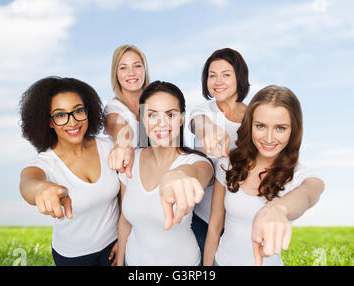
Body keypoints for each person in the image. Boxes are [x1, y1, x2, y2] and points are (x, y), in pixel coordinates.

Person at [203, 85, 325, 266]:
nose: (269, 138)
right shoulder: (228, 165)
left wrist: (279, 208)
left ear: (293, 130)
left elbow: (310, 192)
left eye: (280, 128)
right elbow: (215, 226)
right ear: (249, 124)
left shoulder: (299, 175)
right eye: (260, 126)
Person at [19, 76, 120, 266]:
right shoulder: (46, 163)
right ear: (48, 122)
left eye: (78, 111)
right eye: (60, 115)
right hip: (73, 257)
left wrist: (123, 237)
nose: (72, 122)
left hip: (114, 247)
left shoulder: (109, 147)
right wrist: (42, 189)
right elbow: (28, 183)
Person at [116, 81, 214, 266]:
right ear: (143, 119)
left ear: (182, 119)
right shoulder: (130, 161)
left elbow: (198, 173)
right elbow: (124, 221)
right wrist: (121, 263)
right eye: (153, 115)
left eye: (170, 114)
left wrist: (180, 174)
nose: (162, 123)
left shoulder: (196, 162)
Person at [189, 48, 250, 259]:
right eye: (212, 75)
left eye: (226, 74)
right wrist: (211, 130)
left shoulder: (254, 117)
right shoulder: (204, 111)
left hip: (239, 222)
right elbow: (199, 124)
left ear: (239, 77)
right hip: (203, 218)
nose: (218, 81)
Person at [105, 44, 150, 179]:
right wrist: (123, 145)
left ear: (144, 70)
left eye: (137, 66)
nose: (131, 73)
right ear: (116, 74)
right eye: (123, 67)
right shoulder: (113, 108)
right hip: (129, 181)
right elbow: (118, 124)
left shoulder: (157, 103)